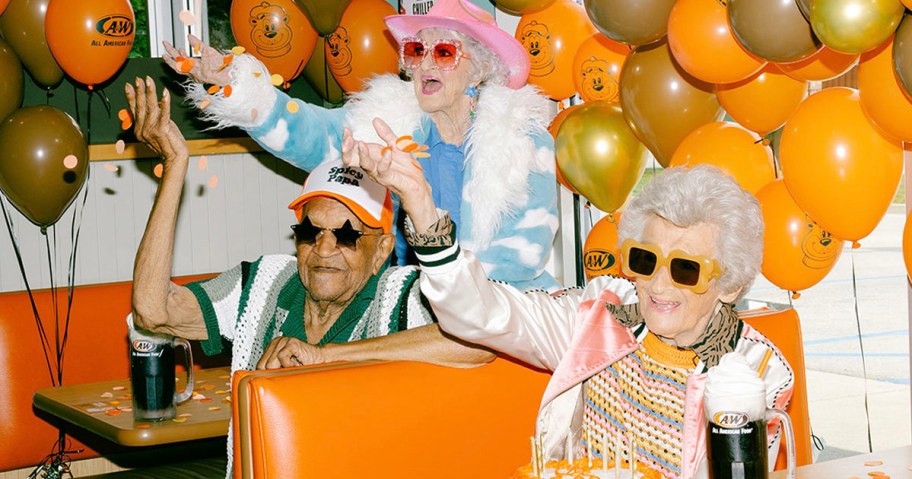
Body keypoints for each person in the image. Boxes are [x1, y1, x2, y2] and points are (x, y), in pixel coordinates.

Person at [344, 137, 794, 479]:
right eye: (645, 259)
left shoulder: (756, 372)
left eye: (686, 269)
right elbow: (482, 312)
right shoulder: (599, 314)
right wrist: (421, 204)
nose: (657, 284)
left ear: (730, 284)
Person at [161, 0, 560, 291]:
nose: (424, 64)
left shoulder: (522, 140)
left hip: (505, 312)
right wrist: (234, 84)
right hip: (412, 306)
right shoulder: (387, 121)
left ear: (480, 67)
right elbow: (313, 133)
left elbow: (518, 261)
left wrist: (444, 300)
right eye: (416, 51)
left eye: (443, 52)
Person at [127, 76, 492, 375]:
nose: (324, 248)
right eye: (309, 232)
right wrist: (175, 165)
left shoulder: (401, 295)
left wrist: (327, 356)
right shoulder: (264, 284)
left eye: (347, 235)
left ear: (382, 249)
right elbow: (153, 311)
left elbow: (475, 341)